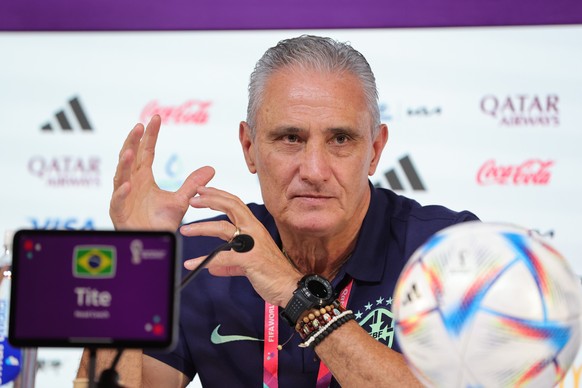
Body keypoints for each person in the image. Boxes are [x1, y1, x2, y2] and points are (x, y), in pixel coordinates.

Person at [78, 35, 478, 387]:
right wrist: (136, 264)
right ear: (249, 148)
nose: (314, 171)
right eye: (290, 138)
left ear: (374, 151)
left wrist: (295, 293)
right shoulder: (204, 257)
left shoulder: (451, 251)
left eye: (340, 139)